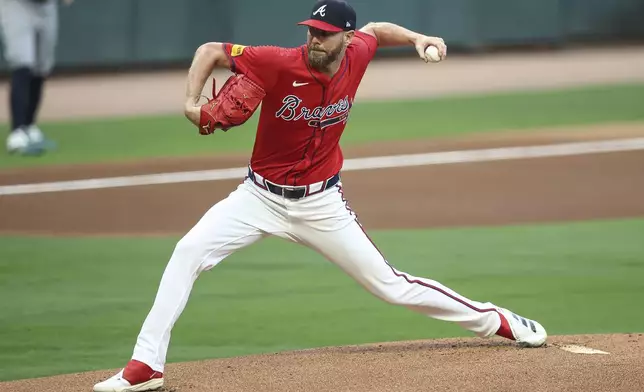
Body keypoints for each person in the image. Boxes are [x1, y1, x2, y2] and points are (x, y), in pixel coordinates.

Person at [94, 1, 547, 390]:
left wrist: (417, 37)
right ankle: (146, 364)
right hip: (258, 198)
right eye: (312, 31)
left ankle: (497, 321)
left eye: (326, 34)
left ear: (345, 39)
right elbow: (210, 50)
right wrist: (191, 103)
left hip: (321, 204)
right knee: (187, 251)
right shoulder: (276, 61)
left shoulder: (359, 50)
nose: (315, 40)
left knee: (391, 286)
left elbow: (376, 31)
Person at [0, 0, 70, 155]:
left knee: (41, 67)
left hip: (46, 6)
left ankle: (30, 127)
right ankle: (17, 133)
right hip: (17, 5)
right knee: (23, 63)